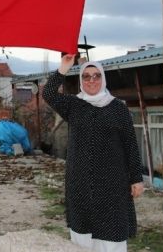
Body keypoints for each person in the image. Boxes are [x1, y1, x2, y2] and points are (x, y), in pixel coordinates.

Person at [42, 54, 144, 252]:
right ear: (81, 80)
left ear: (103, 78)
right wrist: (64, 67)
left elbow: (130, 144)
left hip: (113, 185)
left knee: (112, 239)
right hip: (81, 184)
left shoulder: (118, 108)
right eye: (86, 76)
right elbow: (48, 93)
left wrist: (136, 178)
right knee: (82, 240)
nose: (92, 80)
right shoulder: (74, 105)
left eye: (96, 75)